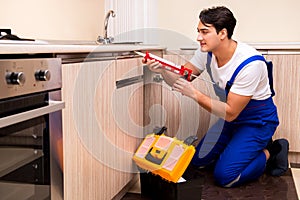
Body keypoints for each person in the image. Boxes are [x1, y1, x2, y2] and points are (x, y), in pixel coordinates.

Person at [143, 6, 289, 187]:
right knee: (198, 161)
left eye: (204, 32)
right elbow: (180, 81)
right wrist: (163, 69)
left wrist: (194, 94)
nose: (198, 37)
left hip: (257, 121)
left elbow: (230, 113)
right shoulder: (206, 54)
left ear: (222, 33)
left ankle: (271, 151)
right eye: (198, 31)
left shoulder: (250, 64)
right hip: (231, 118)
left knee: (225, 177)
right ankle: (240, 148)